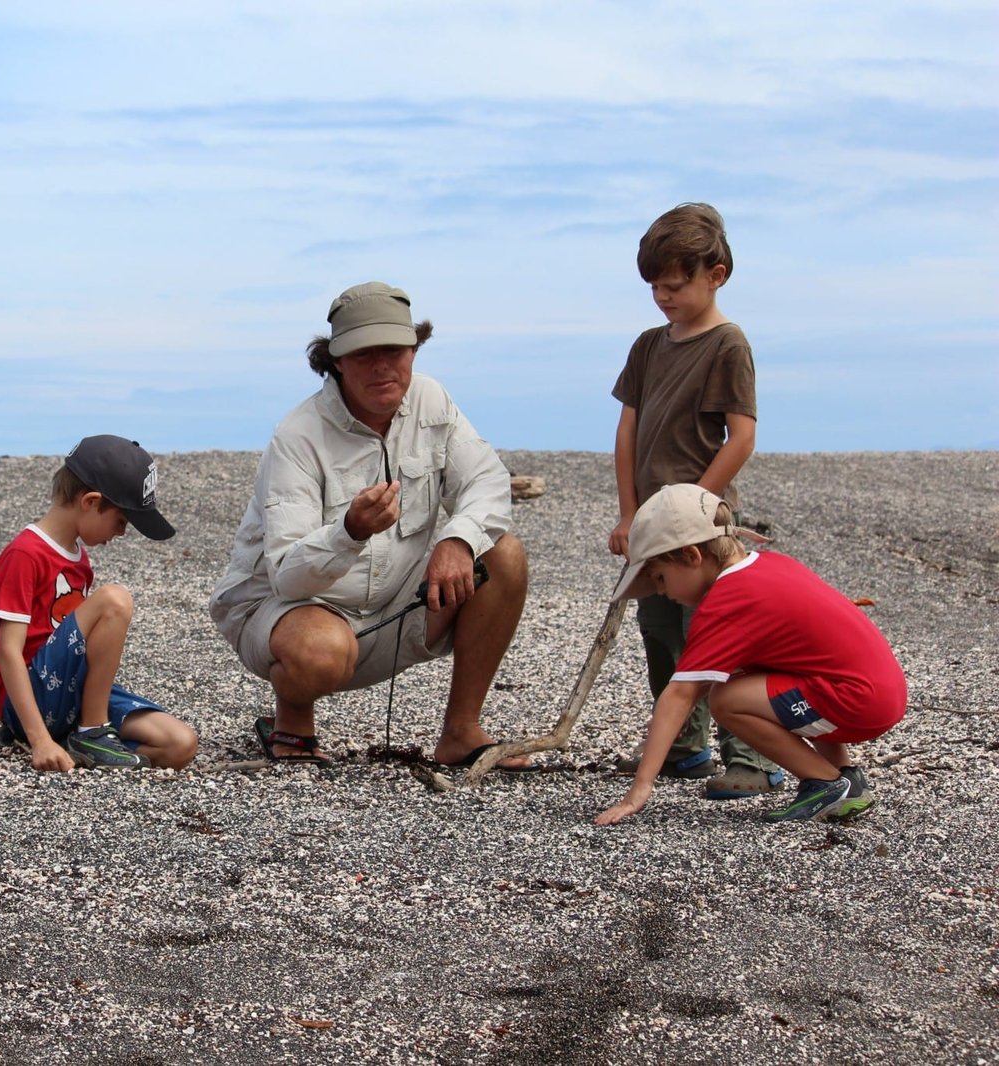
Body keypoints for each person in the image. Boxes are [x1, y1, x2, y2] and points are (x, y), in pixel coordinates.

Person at [210, 282, 529, 766]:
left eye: (394, 350)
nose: (382, 365)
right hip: (287, 613)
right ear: (336, 359)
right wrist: (349, 532)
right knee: (320, 650)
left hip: (393, 606)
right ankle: (292, 722)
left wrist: (458, 540)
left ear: (414, 349)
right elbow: (287, 577)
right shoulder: (298, 435)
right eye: (364, 353)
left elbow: (487, 480)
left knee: (502, 554)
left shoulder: (432, 400)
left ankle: (461, 731)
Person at [596, 484, 906, 825]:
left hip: (858, 700)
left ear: (691, 556)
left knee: (727, 699)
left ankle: (828, 785)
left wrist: (640, 788)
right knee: (751, 677)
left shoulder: (730, 599)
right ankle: (844, 774)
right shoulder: (769, 566)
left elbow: (680, 695)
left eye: (659, 577)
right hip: (879, 691)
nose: (660, 591)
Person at [608, 202, 785, 800]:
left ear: (717, 274)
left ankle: (751, 756)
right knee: (660, 629)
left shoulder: (728, 344)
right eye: (655, 284)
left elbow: (744, 436)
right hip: (653, 525)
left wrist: (695, 507)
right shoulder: (648, 345)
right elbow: (628, 430)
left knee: (717, 632)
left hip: (703, 526)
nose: (663, 295)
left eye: (676, 284)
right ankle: (684, 745)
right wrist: (631, 514)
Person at [0, 434, 198, 772]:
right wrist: (39, 739)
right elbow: (8, 652)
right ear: (91, 501)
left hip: (70, 696)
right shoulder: (25, 554)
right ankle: (92, 733)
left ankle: (79, 743)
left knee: (180, 744)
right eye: (121, 521)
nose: (123, 533)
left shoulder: (79, 560)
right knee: (115, 599)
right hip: (27, 701)